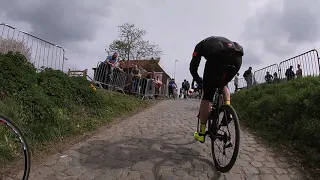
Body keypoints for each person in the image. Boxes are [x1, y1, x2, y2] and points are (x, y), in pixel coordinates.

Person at [189, 36, 244, 143]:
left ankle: (201, 133)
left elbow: (193, 67)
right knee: (223, 84)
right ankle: (228, 110)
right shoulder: (220, 40)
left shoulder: (199, 46)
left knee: (207, 96)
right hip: (237, 57)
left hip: (217, 56)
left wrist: (198, 79)